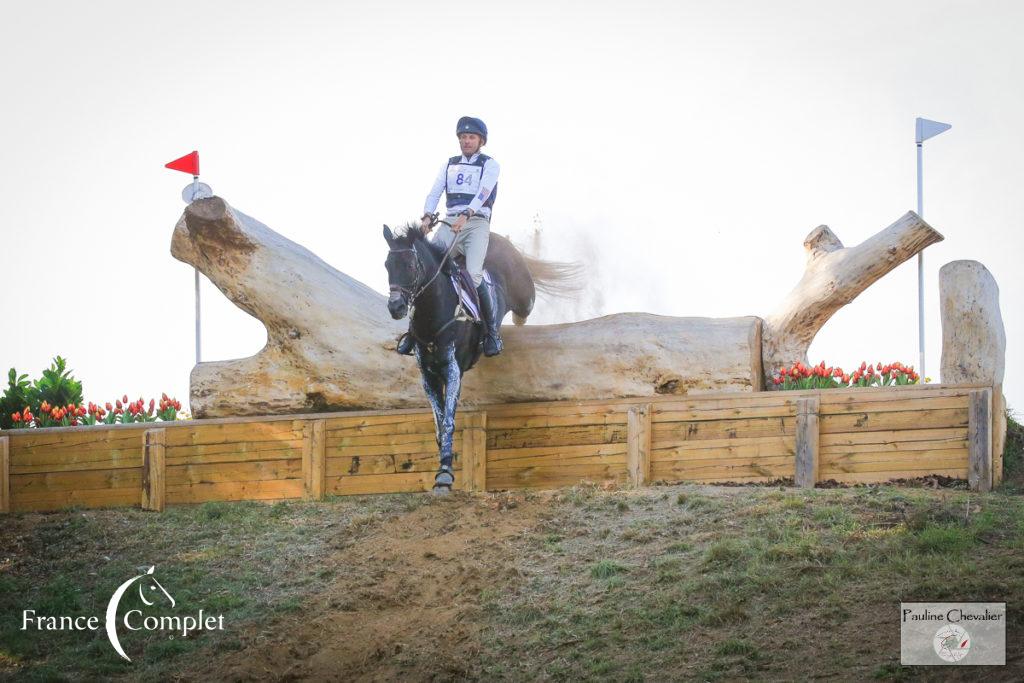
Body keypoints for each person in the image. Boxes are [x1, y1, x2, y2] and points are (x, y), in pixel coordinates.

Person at [396, 115, 504, 357]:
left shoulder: (490, 164)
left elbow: (484, 193)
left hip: (475, 223)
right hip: (449, 221)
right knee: (424, 269)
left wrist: (468, 213)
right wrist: (426, 216)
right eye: (463, 137)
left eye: (471, 137)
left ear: (481, 141)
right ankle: (413, 333)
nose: (466, 141)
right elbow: (435, 191)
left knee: (474, 275)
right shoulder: (449, 164)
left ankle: (491, 335)